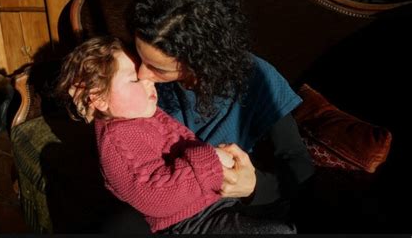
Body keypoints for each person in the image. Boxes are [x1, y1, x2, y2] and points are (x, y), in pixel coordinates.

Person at [71, 0, 315, 227]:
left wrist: (254, 186)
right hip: (170, 204)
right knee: (118, 224)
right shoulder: (142, 80)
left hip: (230, 204)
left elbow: (299, 165)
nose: (143, 75)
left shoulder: (257, 78)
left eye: (158, 68)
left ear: (200, 63)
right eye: (140, 59)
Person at [55, 36, 296, 234]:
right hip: (189, 222)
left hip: (213, 202)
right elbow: (155, 196)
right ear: (98, 97)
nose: (149, 82)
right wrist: (211, 159)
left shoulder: (142, 114)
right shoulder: (117, 141)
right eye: (135, 80)